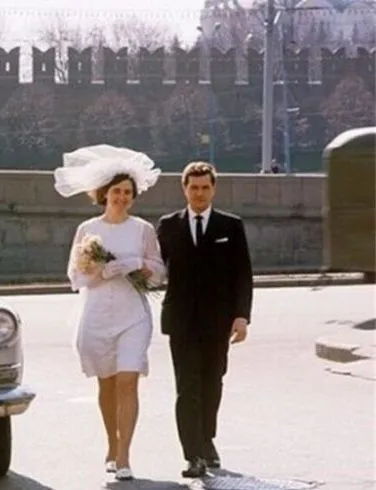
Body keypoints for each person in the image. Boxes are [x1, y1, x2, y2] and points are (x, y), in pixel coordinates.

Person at [54, 144, 165, 481]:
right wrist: (100, 273)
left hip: (133, 316)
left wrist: (137, 264)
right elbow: (75, 276)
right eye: (116, 191)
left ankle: (125, 454)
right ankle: (111, 446)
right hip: (98, 314)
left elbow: (159, 272)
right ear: (104, 193)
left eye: (127, 192)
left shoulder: (143, 229)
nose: (121, 197)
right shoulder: (88, 229)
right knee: (107, 383)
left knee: (128, 380)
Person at [156, 161, 253, 478]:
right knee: (188, 388)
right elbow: (154, 267)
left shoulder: (231, 226)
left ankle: (207, 439)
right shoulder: (168, 225)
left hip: (218, 322)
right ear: (184, 189)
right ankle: (193, 454)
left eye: (205, 187)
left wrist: (241, 316)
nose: (199, 193)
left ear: (214, 189)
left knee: (212, 383)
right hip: (181, 321)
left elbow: (243, 274)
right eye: (194, 187)